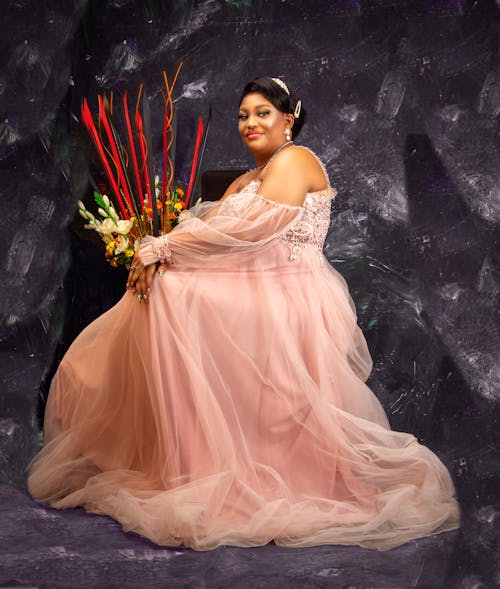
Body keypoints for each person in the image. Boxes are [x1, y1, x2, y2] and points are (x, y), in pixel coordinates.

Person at [26, 77, 460, 551]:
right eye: (242, 115)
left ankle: (202, 469)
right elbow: (208, 228)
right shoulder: (247, 178)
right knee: (166, 288)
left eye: (262, 113)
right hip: (255, 289)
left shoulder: (296, 160)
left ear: (288, 119)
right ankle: (186, 463)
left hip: (290, 293)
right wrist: (154, 255)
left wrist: (161, 247)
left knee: (173, 293)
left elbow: (257, 227)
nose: (250, 123)